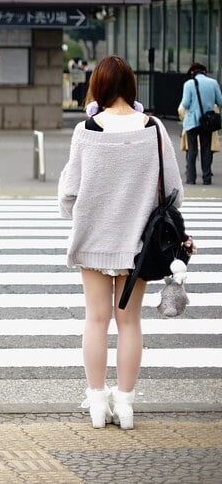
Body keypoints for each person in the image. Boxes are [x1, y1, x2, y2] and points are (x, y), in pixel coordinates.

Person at [58, 55, 183, 430]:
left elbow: (68, 193)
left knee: (96, 319)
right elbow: (174, 189)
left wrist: (83, 213)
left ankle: (98, 402)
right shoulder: (155, 128)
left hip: (95, 238)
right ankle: (125, 405)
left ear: (97, 86)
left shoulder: (88, 130)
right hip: (139, 244)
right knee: (129, 323)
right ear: (131, 86)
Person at [178, 62, 222, 185]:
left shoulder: (189, 84)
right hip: (208, 121)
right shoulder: (213, 83)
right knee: (206, 150)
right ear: (204, 72)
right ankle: (207, 178)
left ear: (192, 72)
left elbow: (185, 103)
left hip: (192, 122)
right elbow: (220, 101)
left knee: (191, 150)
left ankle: (191, 178)